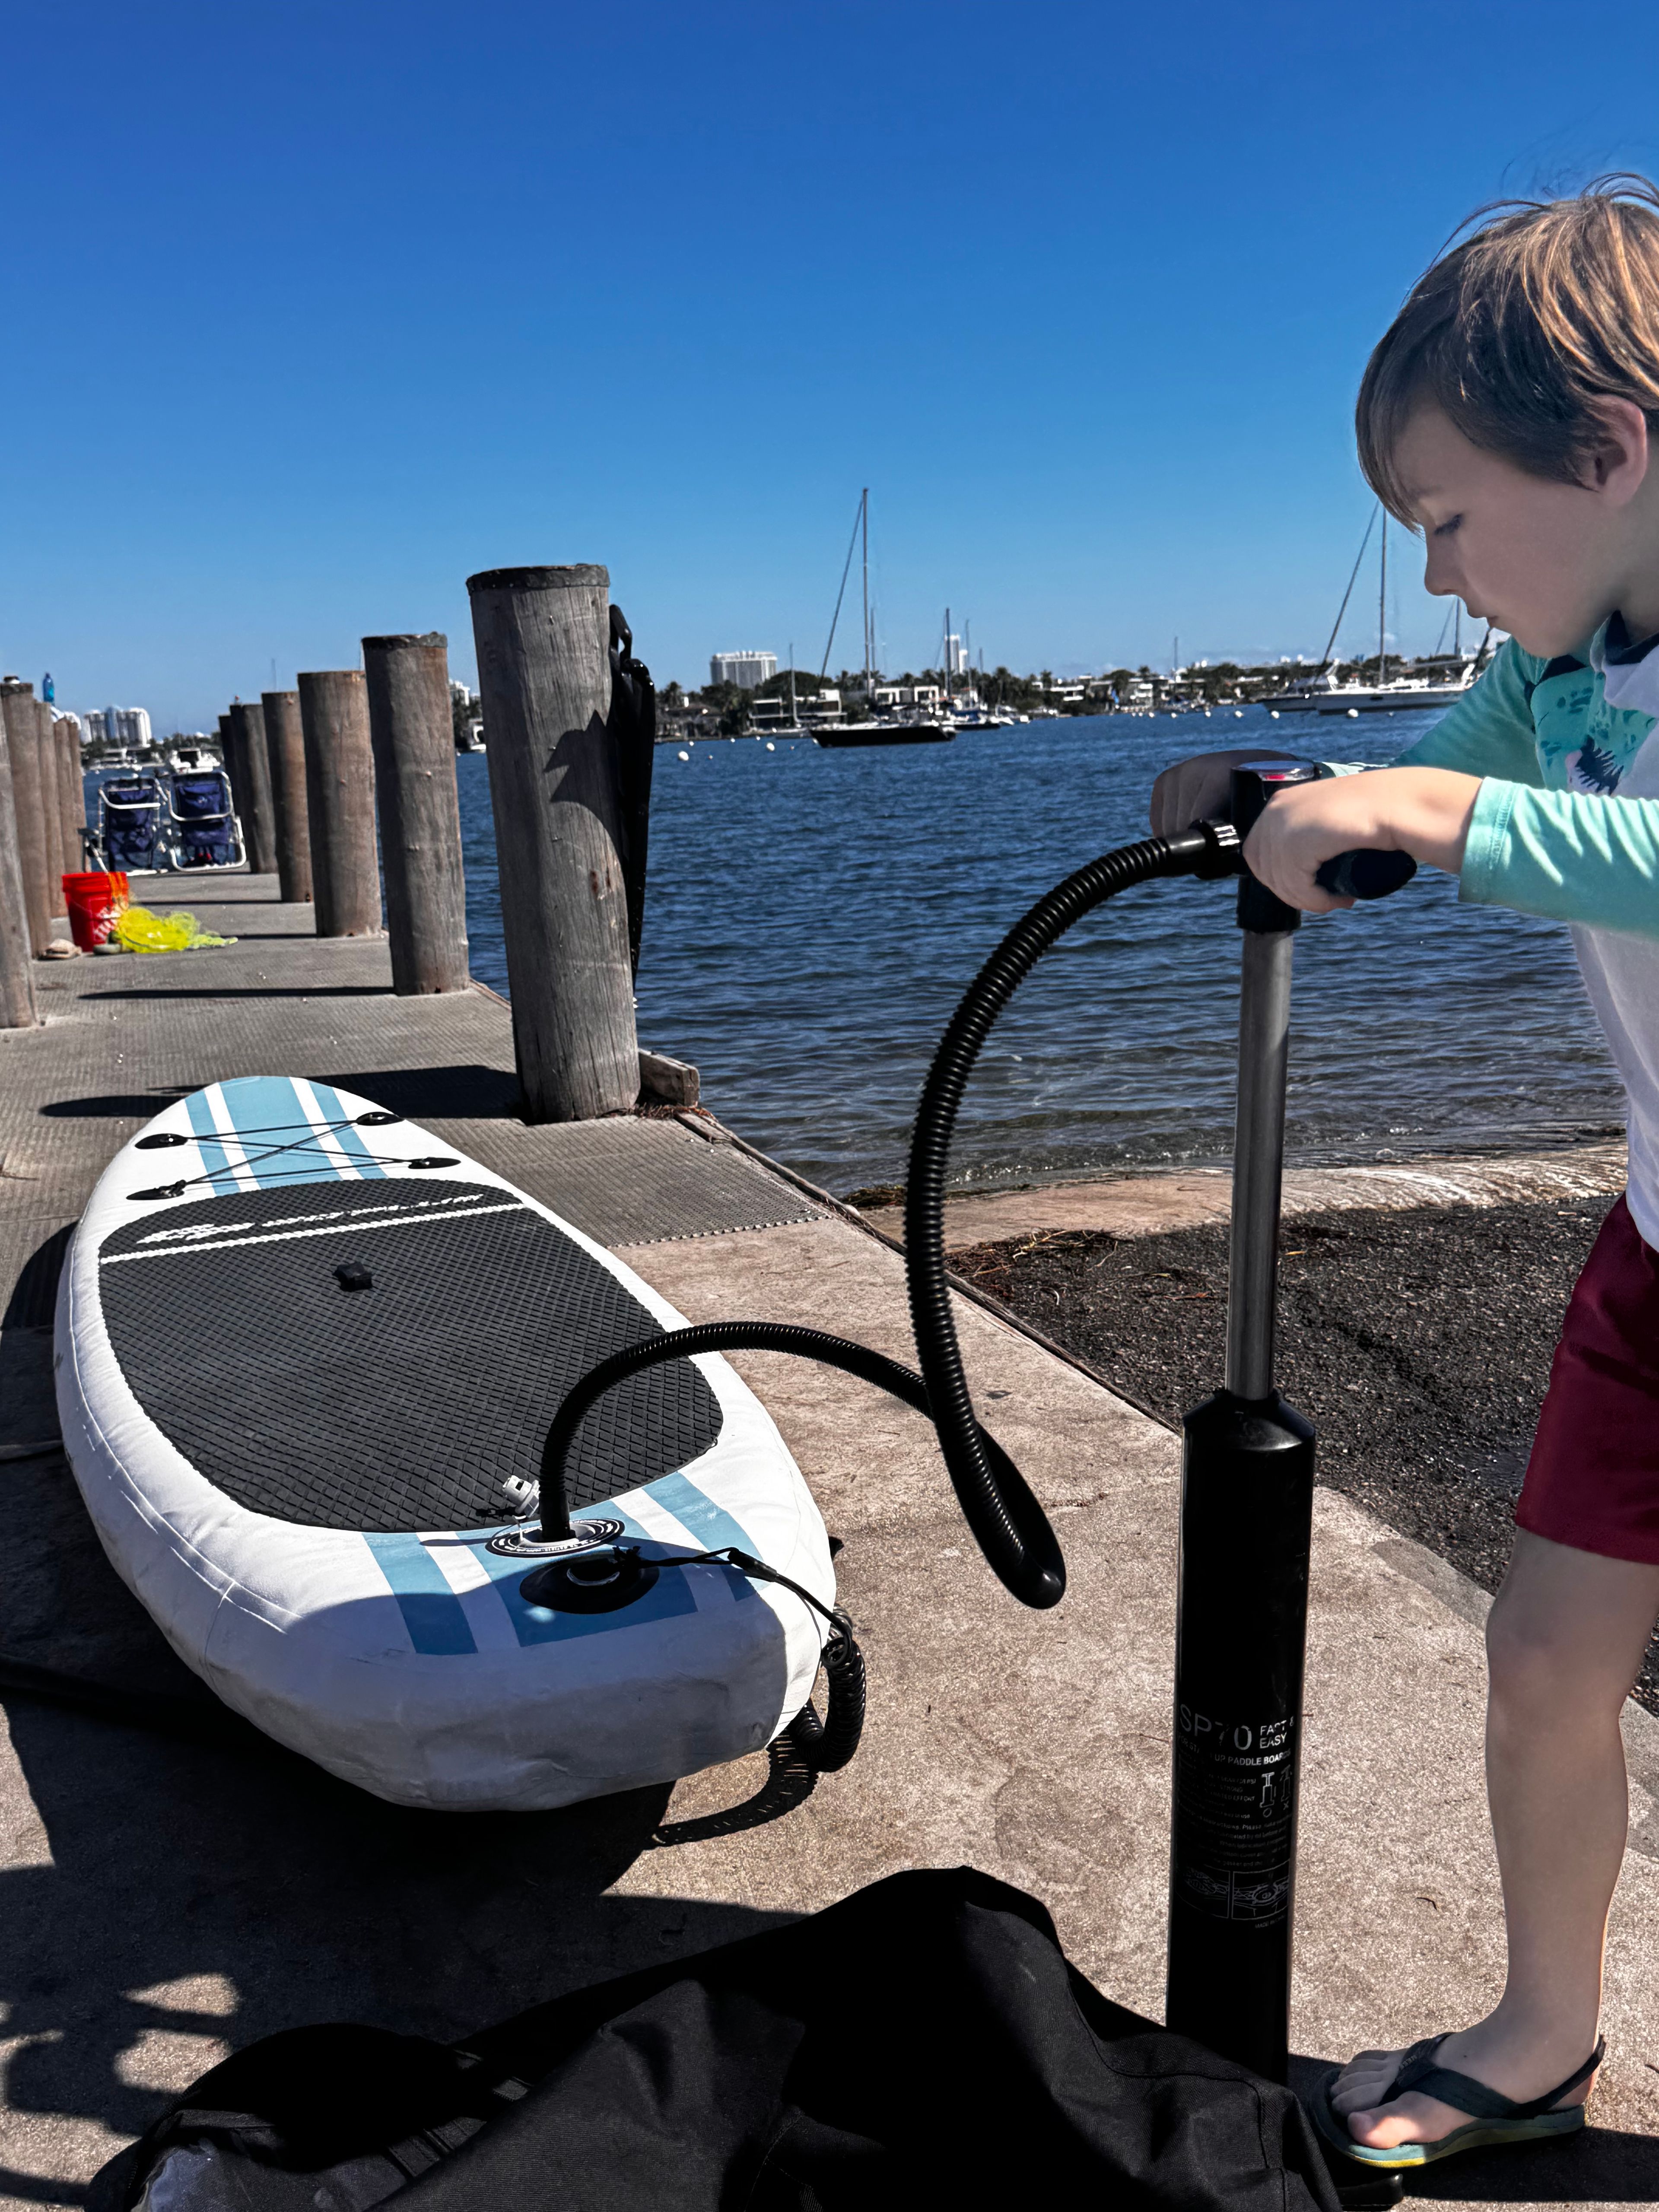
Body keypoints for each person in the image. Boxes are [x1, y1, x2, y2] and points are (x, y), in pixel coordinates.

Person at [1150, 178, 1659, 2173]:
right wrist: (1290, 793)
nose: (1438, 575)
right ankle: (1544, 2028)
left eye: (1447, 520)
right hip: (1654, 1249)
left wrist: (1443, 817)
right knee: (1544, 1660)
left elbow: (1501, 818)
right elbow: (1430, 770)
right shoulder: (1569, 668)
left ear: (1607, 451)